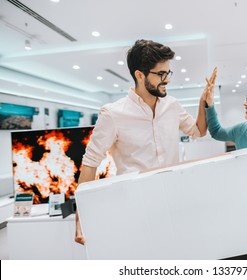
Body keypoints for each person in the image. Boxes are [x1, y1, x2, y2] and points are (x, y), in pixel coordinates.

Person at [75, 39, 216, 245]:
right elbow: (90, 165)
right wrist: (81, 219)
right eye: (160, 74)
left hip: (173, 199)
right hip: (135, 207)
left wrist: (204, 100)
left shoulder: (172, 105)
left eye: (168, 73)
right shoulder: (113, 114)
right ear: (139, 75)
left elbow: (198, 131)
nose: (167, 80)